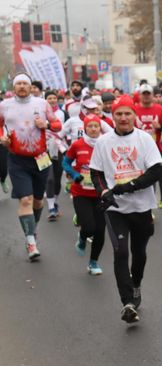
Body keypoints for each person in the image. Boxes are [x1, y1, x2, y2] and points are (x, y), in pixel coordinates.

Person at [89, 95, 162, 324]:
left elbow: (155, 171)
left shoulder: (144, 140)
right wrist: (104, 192)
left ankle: (136, 283)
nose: (123, 117)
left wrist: (125, 187)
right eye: (119, 114)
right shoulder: (103, 142)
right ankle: (127, 302)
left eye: (127, 113)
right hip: (115, 209)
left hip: (141, 207)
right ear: (113, 116)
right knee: (121, 251)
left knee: (139, 253)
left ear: (134, 116)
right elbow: (97, 173)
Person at [0, 73, 63, 260]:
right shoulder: (4, 105)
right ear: (14, 87)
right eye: (18, 83)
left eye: (24, 84)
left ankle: (32, 229)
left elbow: (58, 125)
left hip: (41, 158)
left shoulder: (42, 104)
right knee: (25, 200)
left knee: (38, 201)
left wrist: (47, 125)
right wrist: (2, 138)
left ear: (30, 87)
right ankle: (30, 241)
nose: (21, 86)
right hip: (17, 159)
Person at [62, 114, 106, 275]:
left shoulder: (105, 144)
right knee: (89, 227)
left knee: (100, 231)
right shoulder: (77, 145)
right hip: (81, 193)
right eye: (90, 126)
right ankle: (82, 237)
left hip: (101, 194)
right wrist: (74, 175)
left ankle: (93, 263)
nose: (94, 129)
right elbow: (65, 162)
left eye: (96, 126)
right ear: (85, 128)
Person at [134, 84, 162, 209]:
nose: (147, 96)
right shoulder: (134, 109)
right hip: (138, 149)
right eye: (144, 94)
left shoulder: (159, 109)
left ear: (152, 95)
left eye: (149, 94)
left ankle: (160, 200)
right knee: (143, 176)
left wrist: (160, 127)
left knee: (157, 175)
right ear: (140, 95)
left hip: (157, 148)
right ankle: (143, 204)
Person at [44, 90, 67, 220]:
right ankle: (51, 207)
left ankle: (56, 202)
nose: (52, 100)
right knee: (49, 178)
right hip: (42, 150)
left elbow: (67, 130)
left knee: (57, 178)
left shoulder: (63, 113)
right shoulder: (39, 113)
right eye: (49, 98)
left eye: (54, 98)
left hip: (58, 148)